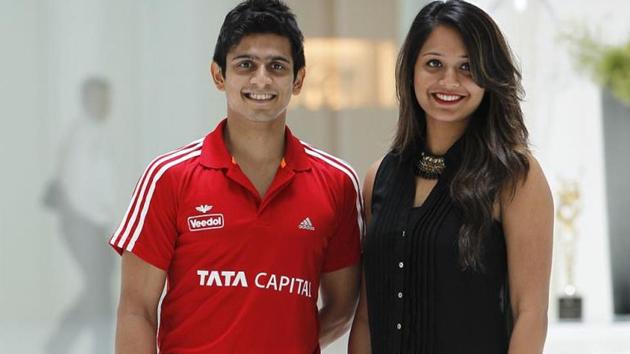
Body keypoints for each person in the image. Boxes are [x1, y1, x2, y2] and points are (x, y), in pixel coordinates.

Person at [109, 1, 363, 353]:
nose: (261, 79)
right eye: (246, 65)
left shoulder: (337, 183)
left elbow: (342, 305)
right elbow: (136, 310)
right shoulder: (169, 177)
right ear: (219, 75)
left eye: (277, 66)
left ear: (299, 79)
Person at [348, 1, 553, 353]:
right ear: (411, 70)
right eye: (434, 64)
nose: (449, 81)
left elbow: (530, 313)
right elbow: (368, 315)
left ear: (490, 77)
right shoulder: (378, 177)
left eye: (467, 68)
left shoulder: (515, 177)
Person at [43, 77, 116, 354]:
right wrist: (94, 223)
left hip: (93, 223)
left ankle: (64, 344)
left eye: (107, 99)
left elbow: (101, 186)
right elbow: (75, 185)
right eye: (99, 98)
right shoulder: (82, 136)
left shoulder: (98, 133)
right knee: (99, 286)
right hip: (82, 222)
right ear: (86, 100)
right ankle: (71, 344)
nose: (106, 104)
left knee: (99, 285)